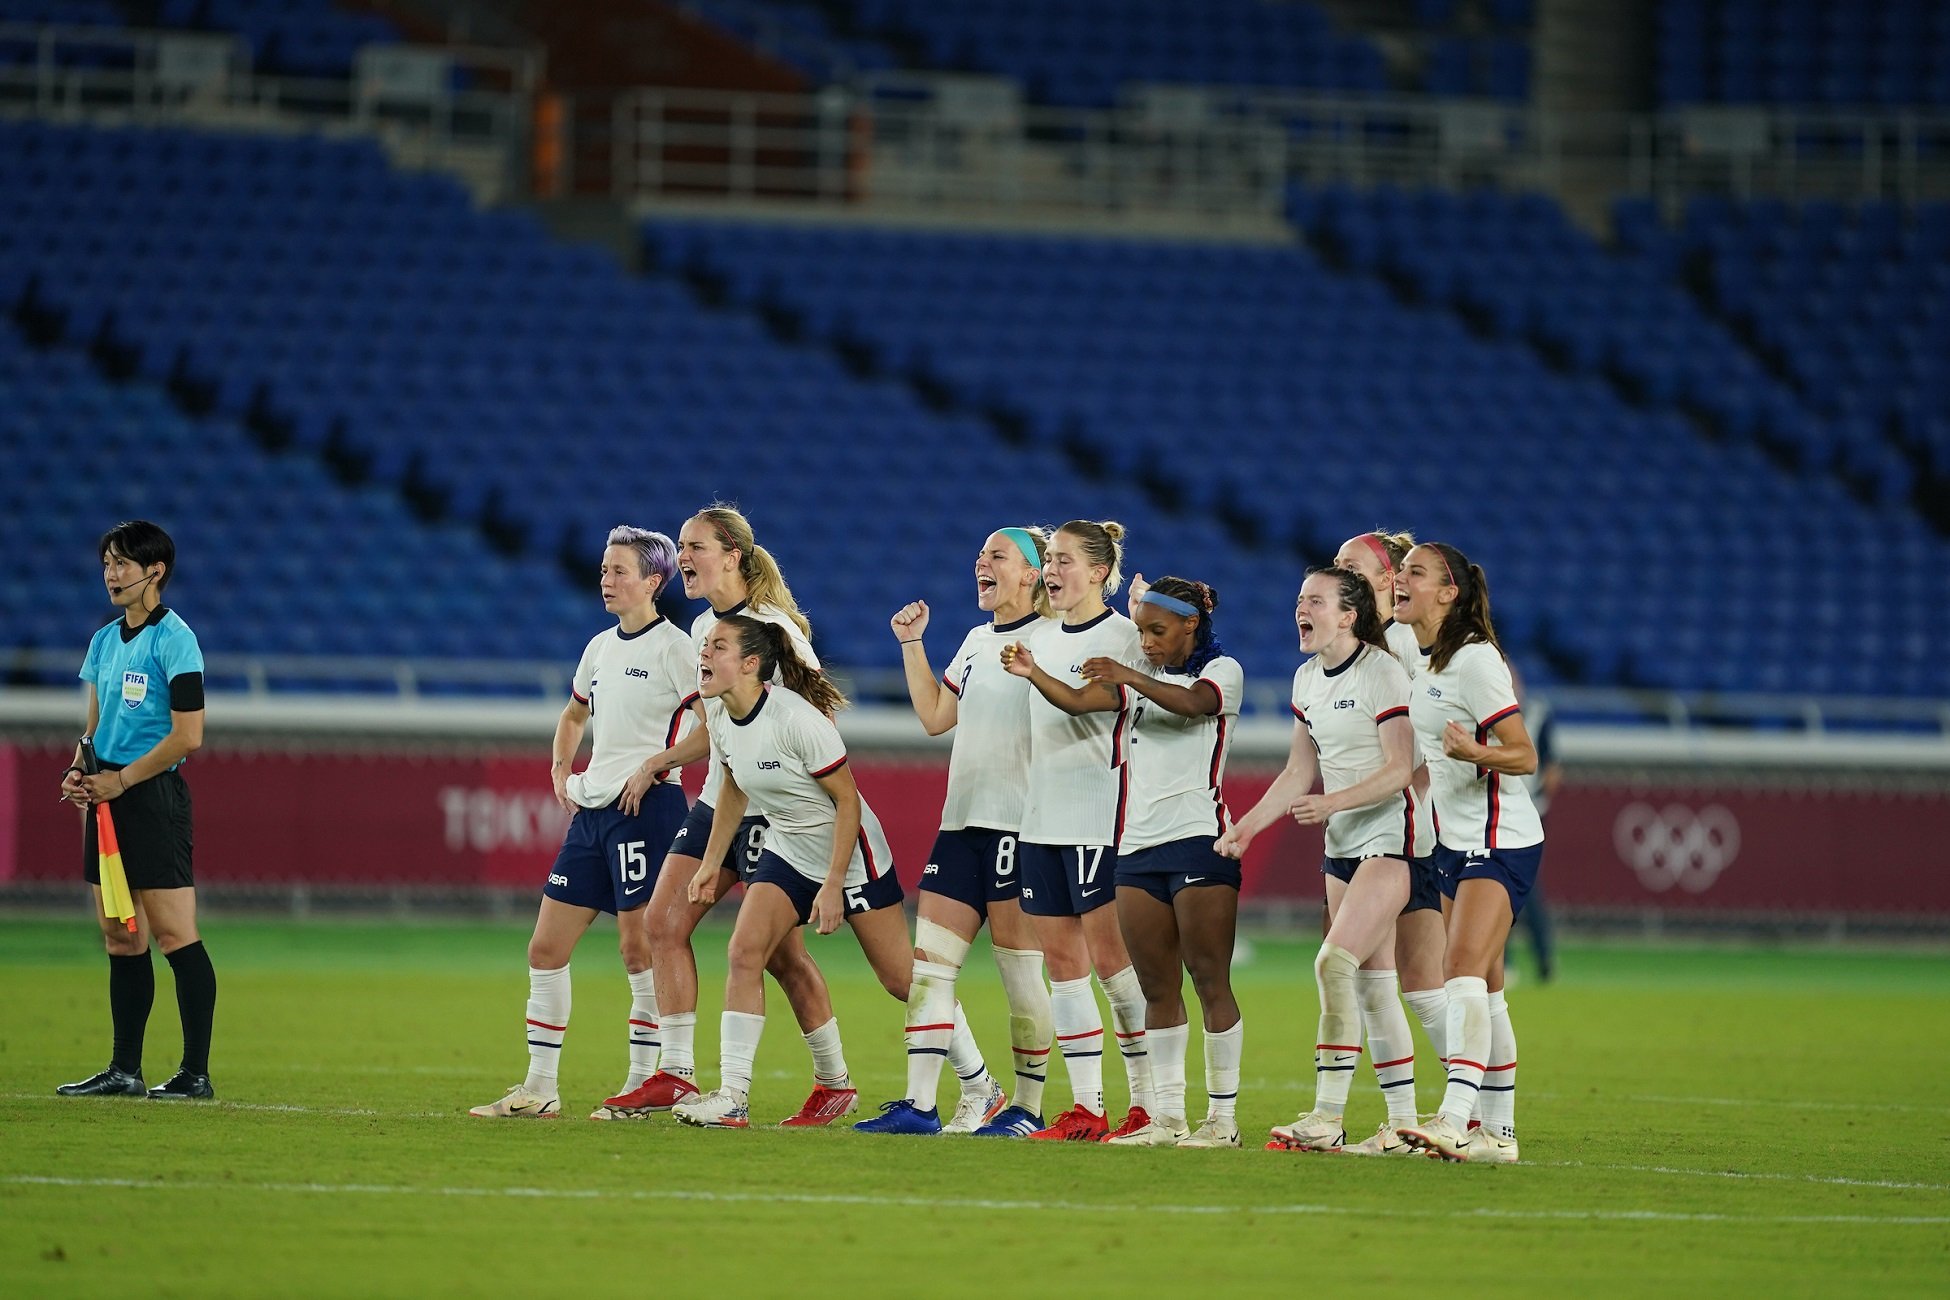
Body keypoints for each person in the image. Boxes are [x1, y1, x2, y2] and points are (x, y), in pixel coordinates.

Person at [600, 504, 880, 1126]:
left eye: (693, 546)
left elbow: (815, 726)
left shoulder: (773, 629)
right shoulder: (705, 627)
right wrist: (662, 760)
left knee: (780, 956)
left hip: (771, 812)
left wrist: (794, 810)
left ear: (731, 555)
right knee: (663, 921)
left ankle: (834, 1080)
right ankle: (675, 1074)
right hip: (719, 799)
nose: (682, 558)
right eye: (679, 545)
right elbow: (718, 731)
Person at [671, 617, 989, 1127]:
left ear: (750, 664)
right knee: (745, 951)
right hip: (788, 849)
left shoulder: (796, 719)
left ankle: (979, 1084)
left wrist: (834, 883)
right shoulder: (723, 716)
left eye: (717, 646)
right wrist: (711, 863)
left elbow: (847, 802)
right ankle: (733, 1096)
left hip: (852, 853)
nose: (703, 654)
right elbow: (733, 786)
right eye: (705, 645)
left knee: (903, 980)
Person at [470, 527, 695, 1121]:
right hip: (594, 813)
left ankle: (643, 1086)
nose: (606, 580)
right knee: (545, 947)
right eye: (603, 569)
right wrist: (560, 766)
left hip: (648, 810)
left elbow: (710, 731)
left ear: (653, 580)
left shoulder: (676, 649)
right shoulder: (599, 647)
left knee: (636, 947)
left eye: (619, 570)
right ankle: (540, 1087)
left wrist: (656, 766)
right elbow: (573, 714)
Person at [852, 527, 1057, 1137]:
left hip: (1019, 829)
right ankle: (920, 1105)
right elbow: (936, 718)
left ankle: (1026, 1106)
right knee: (930, 969)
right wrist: (913, 645)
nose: (981, 563)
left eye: (998, 555)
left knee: (1021, 973)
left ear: (1032, 573)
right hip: (961, 825)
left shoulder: (1051, 640)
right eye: (980, 555)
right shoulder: (973, 639)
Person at [1221, 568, 1414, 1153]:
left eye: (1315, 601)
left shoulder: (1382, 673)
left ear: (1349, 615)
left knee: (1333, 965)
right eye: (1298, 599)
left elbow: (1401, 769)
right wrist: (1248, 827)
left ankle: (1327, 1118)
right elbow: (1296, 772)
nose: (1300, 610)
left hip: (1390, 839)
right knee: (1374, 988)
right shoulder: (1307, 678)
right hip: (1340, 848)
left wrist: (1334, 802)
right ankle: (1404, 1128)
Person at [1073, 576, 1248, 1149]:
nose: (1145, 641)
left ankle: (1221, 1121)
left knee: (1208, 978)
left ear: (1191, 624)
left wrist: (1129, 673)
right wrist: (1034, 674)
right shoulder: (1144, 680)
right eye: (1141, 630)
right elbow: (1080, 701)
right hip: (1136, 850)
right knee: (1157, 988)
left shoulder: (1222, 673)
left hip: (1201, 840)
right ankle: (1168, 1118)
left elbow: (1196, 706)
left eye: (1157, 630)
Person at [1000, 519, 1155, 1142]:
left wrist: (1035, 673)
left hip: (1099, 817)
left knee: (1115, 964)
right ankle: (1087, 1108)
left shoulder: (1126, 638)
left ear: (1098, 571)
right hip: (1041, 819)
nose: (1055, 571)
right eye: (1051, 561)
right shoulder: (1037, 635)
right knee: (1062, 964)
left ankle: (1146, 1102)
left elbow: (1090, 701)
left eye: (1067, 560)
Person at [1392, 543, 1544, 1164]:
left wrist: (1475, 754)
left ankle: (1456, 1119)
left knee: (1460, 971)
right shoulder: (1429, 660)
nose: (1402, 580)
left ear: (1449, 592)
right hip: (1456, 844)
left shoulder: (1477, 662)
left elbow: (1525, 755)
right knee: (1487, 989)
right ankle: (1498, 1136)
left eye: (1415, 574)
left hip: (1500, 841)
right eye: (1400, 572)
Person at [57, 520, 216, 1101]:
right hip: (107, 797)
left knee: (175, 935)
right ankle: (125, 1071)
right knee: (121, 936)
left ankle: (195, 1074)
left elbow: (188, 736)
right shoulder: (102, 641)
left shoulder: (177, 640)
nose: (111, 573)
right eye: (106, 563)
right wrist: (80, 766)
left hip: (150, 797)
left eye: (122, 563)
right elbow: (95, 726)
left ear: (156, 572)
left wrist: (120, 780)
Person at [1331, 528, 1446, 1155]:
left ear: (1388, 581)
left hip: (1410, 831)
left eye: (1354, 566)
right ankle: (1405, 1124)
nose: (1339, 572)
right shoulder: (1354, 651)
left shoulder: (1403, 646)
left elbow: (1420, 746)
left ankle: (1473, 1113)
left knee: (1422, 986)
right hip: (1362, 831)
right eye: (1336, 565)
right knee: (1384, 982)